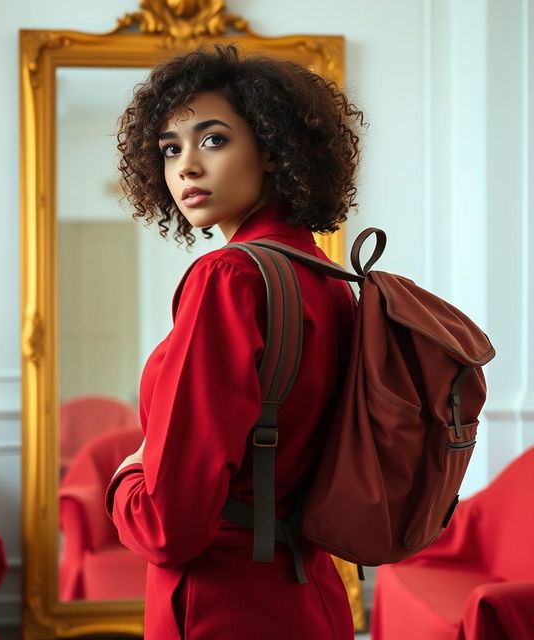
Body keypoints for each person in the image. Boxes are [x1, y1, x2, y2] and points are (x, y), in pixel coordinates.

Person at [105, 42, 367, 639]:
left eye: (213, 139)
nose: (186, 167)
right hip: (311, 594)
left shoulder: (229, 277)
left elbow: (169, 525)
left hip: (223, 601)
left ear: (274, 148)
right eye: (170, 149)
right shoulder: (325, 276)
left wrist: (126, 479)